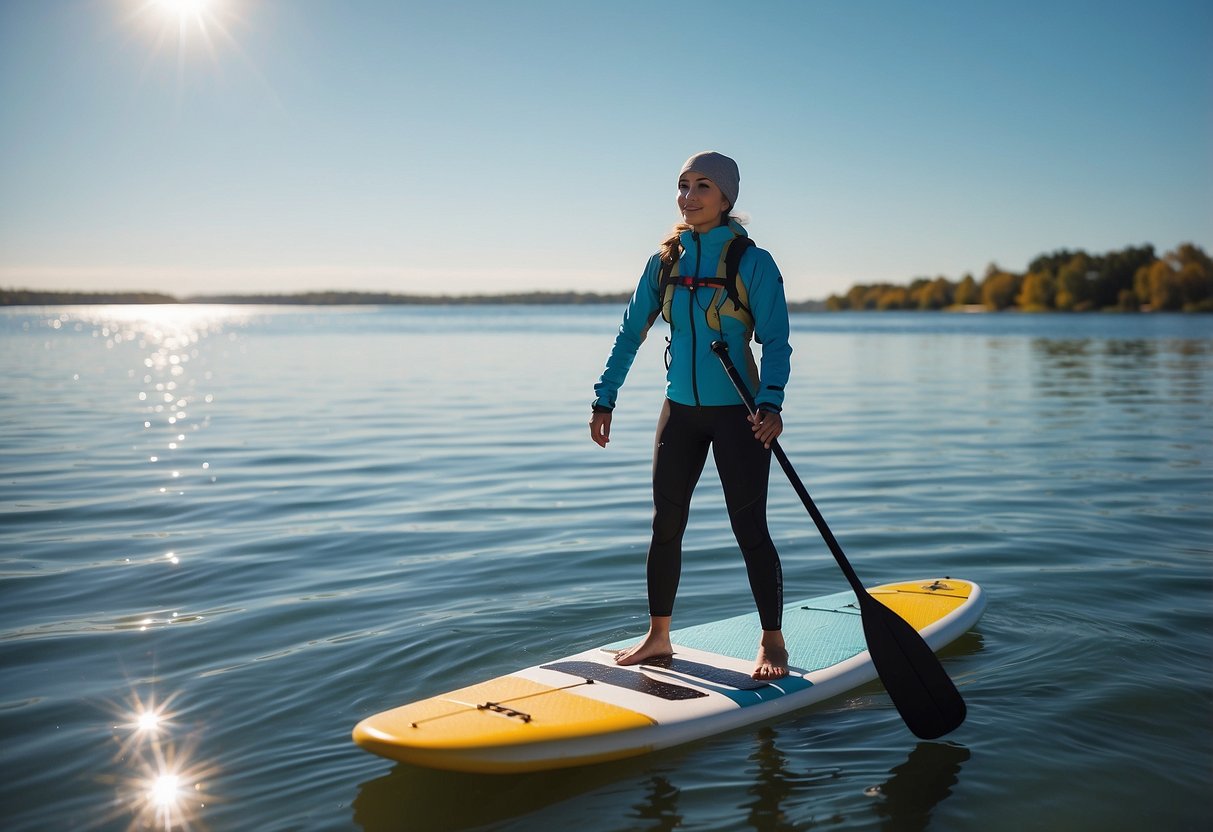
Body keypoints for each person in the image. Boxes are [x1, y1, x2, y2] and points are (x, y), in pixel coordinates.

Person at [589, 151, 793, 680]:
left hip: (740, 414)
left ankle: (772, 641)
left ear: (726, 198)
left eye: (703, 185)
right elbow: (630, 332)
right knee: (666, 526)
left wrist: (771, 404)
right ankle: (658, 637)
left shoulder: (753, 262)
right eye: (683, 185)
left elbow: (776, 341)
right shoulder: (665, 260)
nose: (690, 195)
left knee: (750, 527)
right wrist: (604, 397)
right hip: (679, 411)